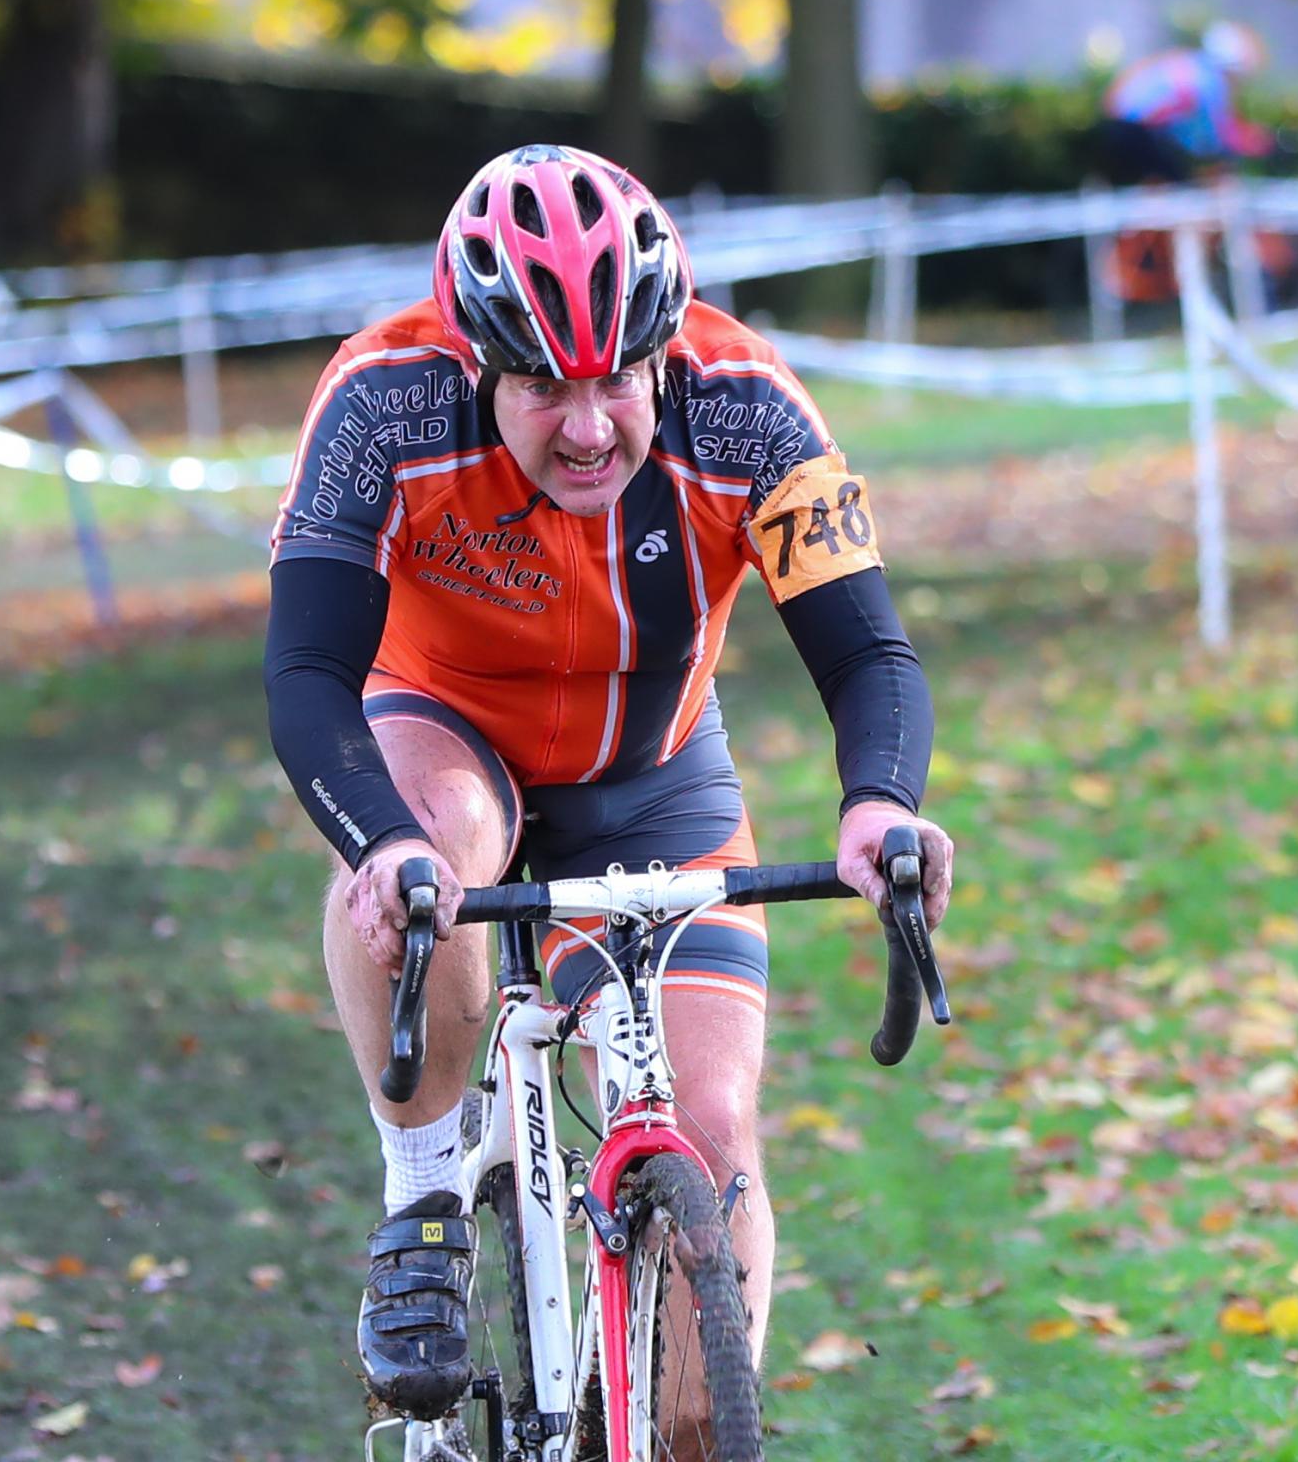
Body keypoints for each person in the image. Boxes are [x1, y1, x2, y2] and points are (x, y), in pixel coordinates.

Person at [263, 144, 956, 1420]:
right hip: (445, 734)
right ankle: (422, 1188)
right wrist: (381, 844)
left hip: (652, 771)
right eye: (541, 387)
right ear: (476, 360)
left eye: (618, 381)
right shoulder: (382, 403)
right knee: (441, 841)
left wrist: (880, 800)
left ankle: (677, 1425)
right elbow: (307, 668)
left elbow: (869, 651)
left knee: (714, 1126)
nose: (589, 427)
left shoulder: (747, 405)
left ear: (663, 350)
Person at [1099, 19, 1274, 188]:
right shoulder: (1212, 81)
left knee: (1167, 182)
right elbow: (1214, 138)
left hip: (1119, 127)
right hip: (1136, 131)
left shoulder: (1193, 62)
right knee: (1175, 188)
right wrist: (1251, 144)